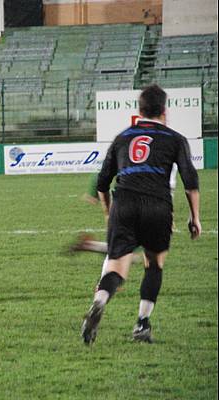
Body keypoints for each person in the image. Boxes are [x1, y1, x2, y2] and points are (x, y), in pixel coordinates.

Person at [81, 84, 201, 345]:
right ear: (164, 110)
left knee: (116, 267)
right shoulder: (175, 138)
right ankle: (142, 324)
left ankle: (99, 302)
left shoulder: (123, 137)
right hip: (158, 204)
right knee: (154, 264)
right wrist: (195, 217)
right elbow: (190, 179)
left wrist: (108, 213)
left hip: (124, 203)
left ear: (140, 110)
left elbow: (102, 182)